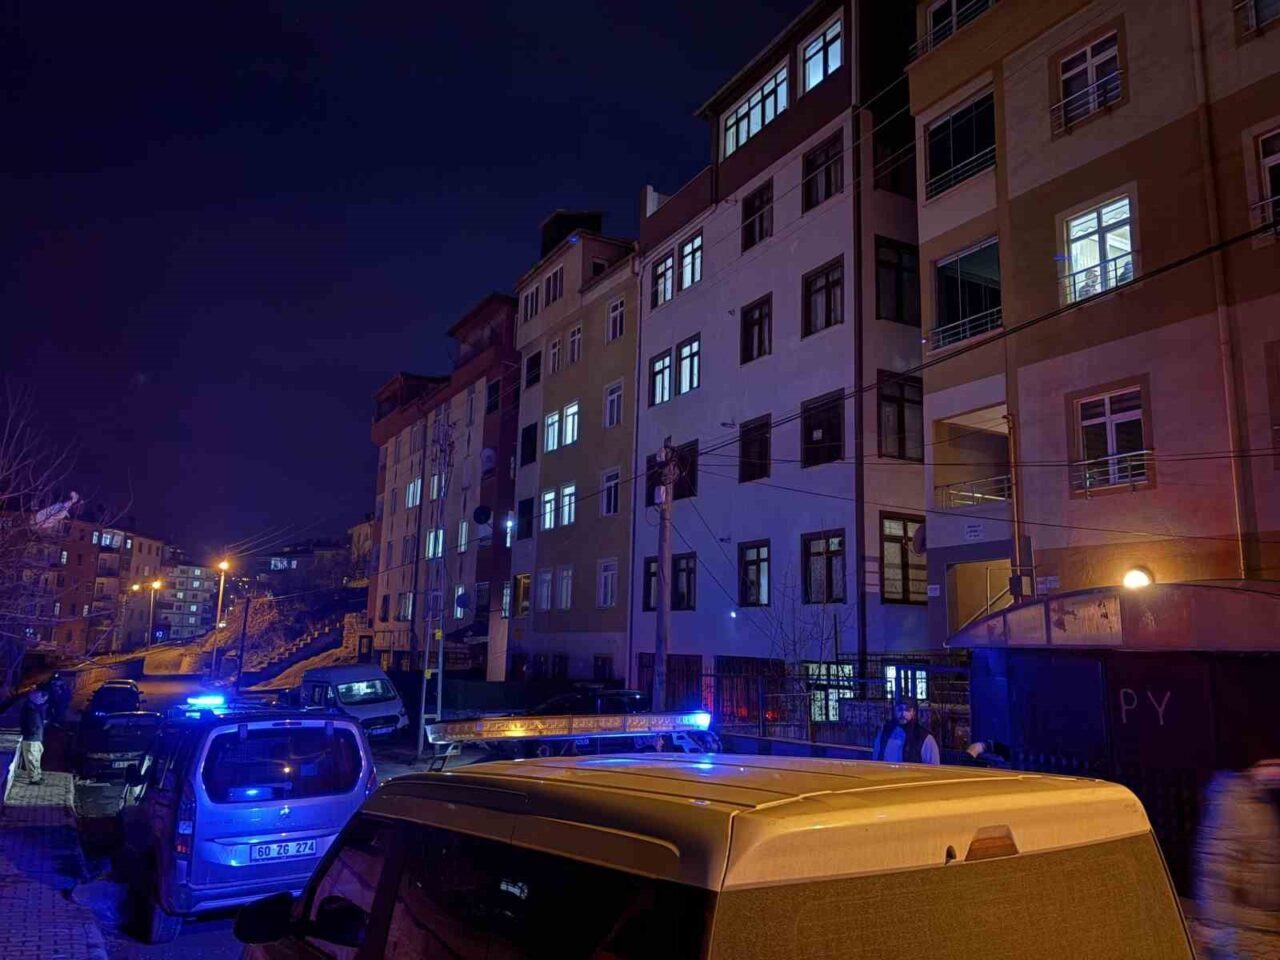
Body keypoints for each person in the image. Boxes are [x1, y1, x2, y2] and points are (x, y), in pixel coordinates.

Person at [1194, 759, 1280, 958]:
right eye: (1272, 764)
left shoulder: (1264, 800)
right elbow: (1216, 868)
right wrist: (1214, 924)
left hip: (1263, 925)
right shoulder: (1232, 802)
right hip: (1246, 929)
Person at [871, 697, 940, 765]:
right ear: (895, 711)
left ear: (913, 712)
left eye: (907, 710)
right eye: (900, 709)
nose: (903, 714)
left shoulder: (925, 738)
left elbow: (934, 767)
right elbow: (875, 762)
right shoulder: (884, 734)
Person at [19, 689, 47, 785]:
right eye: (40, 697)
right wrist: (34, 731)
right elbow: (31, 724)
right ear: (34, 697)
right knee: (32, 758)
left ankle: (37, 775)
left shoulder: (33, 707)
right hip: (32, 738)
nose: (42, 700)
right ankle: (34, 778)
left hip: (36, 737)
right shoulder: (30, 708)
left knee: (35, 758)